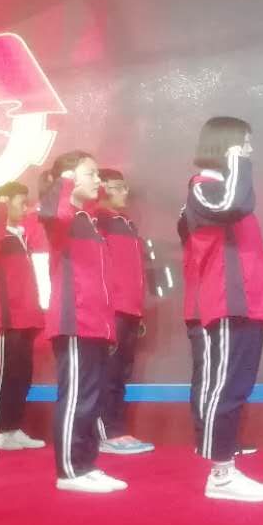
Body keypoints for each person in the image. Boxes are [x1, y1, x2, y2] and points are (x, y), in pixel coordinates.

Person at [179, 117, 263, 501]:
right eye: (244, 143)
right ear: (226, 145)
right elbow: (234, 203)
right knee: (224, 387)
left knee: (237, 387)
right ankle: (221, 474)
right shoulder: (203, 188)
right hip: (225, 302)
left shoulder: (222, 190)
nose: (250, 151)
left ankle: (224, 461)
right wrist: (237, 160)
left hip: (248, 302)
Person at [39, 151, 126, 494]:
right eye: (90, 173)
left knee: (91, 398)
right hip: (74, 321)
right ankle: (70, 470)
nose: (98, 180)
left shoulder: (86, 219)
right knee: (77, 397)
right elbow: (51, 210)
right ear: (70, 178)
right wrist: (65, 180)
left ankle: (87, 464)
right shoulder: (62, 217)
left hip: (96, 323)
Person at [0, 183, 47, 451]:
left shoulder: (21, 236)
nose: (26, 208)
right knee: (6, 375)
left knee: (22, 375)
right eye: (21, 202)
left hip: (28, 318)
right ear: (5, 203)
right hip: (9, 318)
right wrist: (1, 205)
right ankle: (0, 431)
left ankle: (14, 427)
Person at [95, 169, 155, 455]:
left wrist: (138, 311)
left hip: (130, 310)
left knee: (120, 374)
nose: (124, 192)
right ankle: (105, 434)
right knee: (107, 374)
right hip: (111, 310)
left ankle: (117, 430)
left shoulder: (125, 223)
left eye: (125, 186)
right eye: (117, 187)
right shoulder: (97, 221)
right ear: (102, 188)